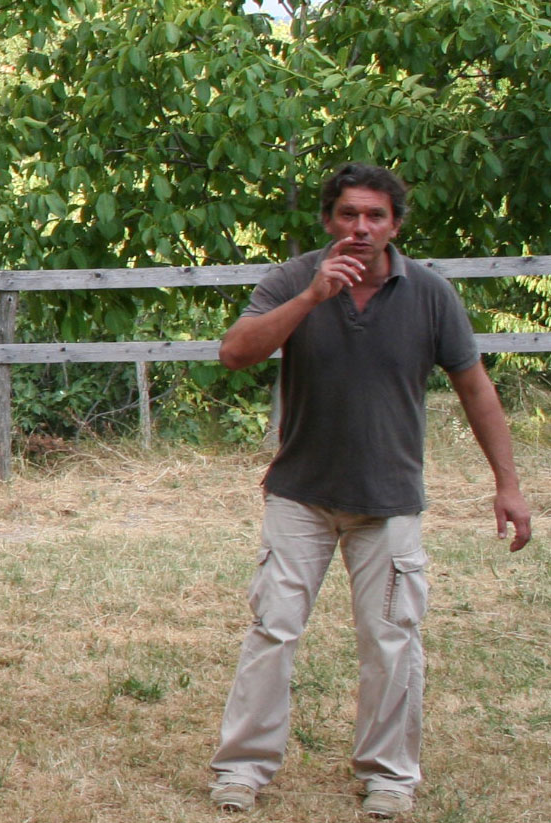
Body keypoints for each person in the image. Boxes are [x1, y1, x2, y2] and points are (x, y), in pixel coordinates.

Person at [205, 163, 530, 819]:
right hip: (299, 494)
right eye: (347, 214)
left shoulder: (431, 294)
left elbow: (474, 389)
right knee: (272, 629)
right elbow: (234, 352)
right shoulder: (294, 278)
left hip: (388, 499)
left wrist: (508, 484)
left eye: (374, 216)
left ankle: (387, 775)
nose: (360, 228)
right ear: (327, 220)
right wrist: (309, 299)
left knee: (391, 639)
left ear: (395, 225)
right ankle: (241, 770)